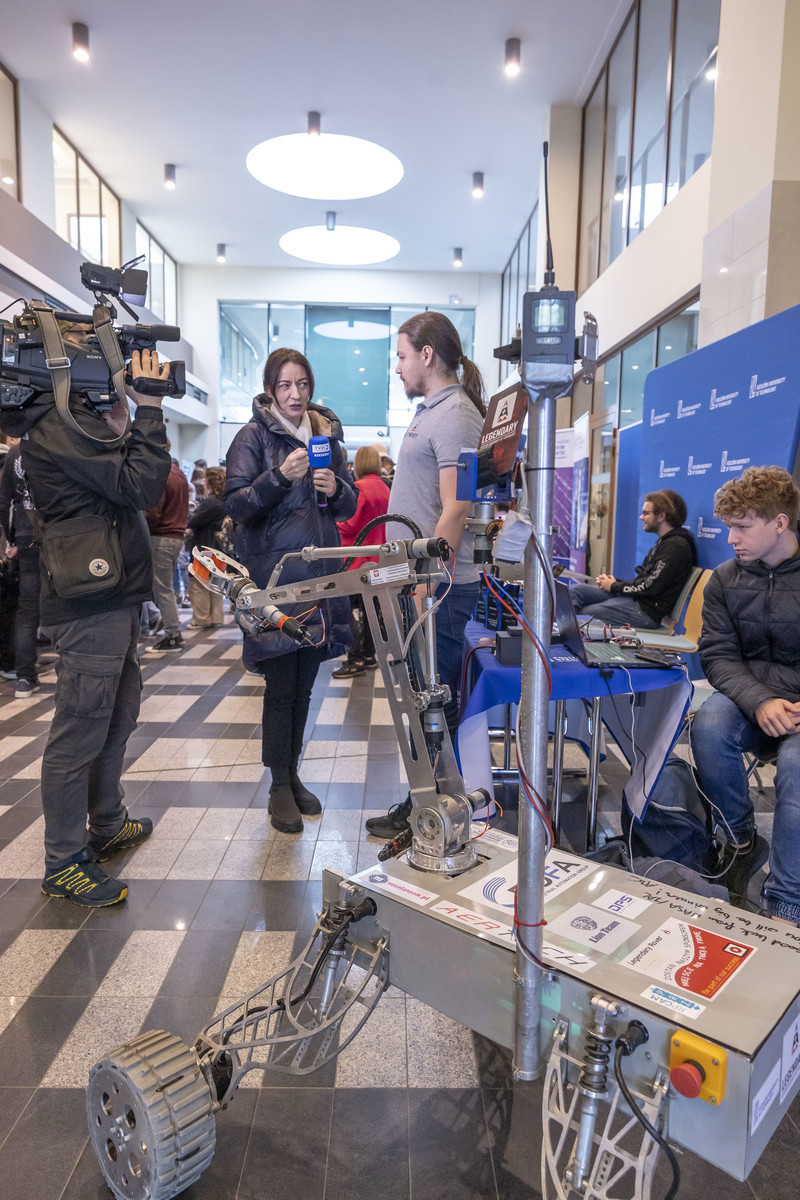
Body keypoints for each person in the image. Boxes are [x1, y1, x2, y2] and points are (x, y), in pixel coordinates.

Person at [0, 348, 172, 907]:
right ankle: (63, 862)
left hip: (111, 594)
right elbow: (142, 486)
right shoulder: (56, 425)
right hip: (90, 603)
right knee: (79, 732)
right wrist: (148, 409)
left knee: (116, 717)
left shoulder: (70, 421)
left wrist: (120, 424)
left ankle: (107, 822)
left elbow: (117, 486)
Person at [365, 311, 485, 841]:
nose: (397, 367)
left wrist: (429, 581)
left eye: (402, 355)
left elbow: (457, 507)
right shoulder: (432, 412)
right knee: (420, 700)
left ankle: (438, 812)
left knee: (434, 702)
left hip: (438, 587)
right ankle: (424, 804)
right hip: (417, 580)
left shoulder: (455, 414)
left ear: (427, 355)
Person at [225, 347, 357, 833]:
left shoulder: (327, 438)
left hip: (321, 580)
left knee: (305, 686)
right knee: (281, 686)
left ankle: (293, 773)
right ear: (270, 390)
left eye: (302, 384)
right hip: (277, 582)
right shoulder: (252, 437)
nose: (295, 394)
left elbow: (348, 506)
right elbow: (236, 505)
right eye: (284, 385)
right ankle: (278, 784)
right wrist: (279, 478)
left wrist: (336, 489)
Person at [692, 466, 800, 925]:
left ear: (779, 522)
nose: (731, 538)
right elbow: (717, 656)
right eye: (728, 527)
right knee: (709, 725)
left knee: (796, 764)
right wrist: (760, 701)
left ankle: (787, 902)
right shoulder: (724, 579)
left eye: (742, 526)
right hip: (750, 701)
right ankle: (740, 841)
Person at [570, 489, 697, 629]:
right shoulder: (665, 543)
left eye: (646, 513)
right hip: (635, 600)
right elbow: (644, 579)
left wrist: (614, 586)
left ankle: (572, 637)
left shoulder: (675, 546)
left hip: (645, 612)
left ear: (661, 516)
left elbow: (650, 586)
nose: (641, 517)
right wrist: (615, 584)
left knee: (585, 614)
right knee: (575, 591)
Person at [333, 445, 391, 677]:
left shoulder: (359, 488)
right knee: (371, 612)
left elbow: (349, 524)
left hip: (355, 561)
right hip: (379, 559)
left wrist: (331, 520)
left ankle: (355, 658)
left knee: (348, 612)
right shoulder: (385, 488)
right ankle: (369, 655)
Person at [0, 438, 41, 697]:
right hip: (56, 536)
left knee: (27, 611)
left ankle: (25, 677)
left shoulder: (15, 453)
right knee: (65, 605)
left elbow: (4, 503)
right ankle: (71, 672)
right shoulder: (56, 442)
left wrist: (12, 539)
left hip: (26, 538)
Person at [143, 441, 189, 654]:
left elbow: (153, 511)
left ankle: (172, 635)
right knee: (165, 588)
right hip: (176, 536)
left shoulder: (160, 472)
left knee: (163, 590)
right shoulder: (178, 472)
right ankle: (169, 627)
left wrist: (143, 528)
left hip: (161, 536)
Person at [185, 465, 228, 629]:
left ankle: (201, 619)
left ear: (210, 481)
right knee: (215, 583)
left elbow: (194, 521)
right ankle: (216, 617)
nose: (203, 481)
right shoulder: (224, 502)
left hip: (204, 546)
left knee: (198, 583)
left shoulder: (210, 503)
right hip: (219, 549)